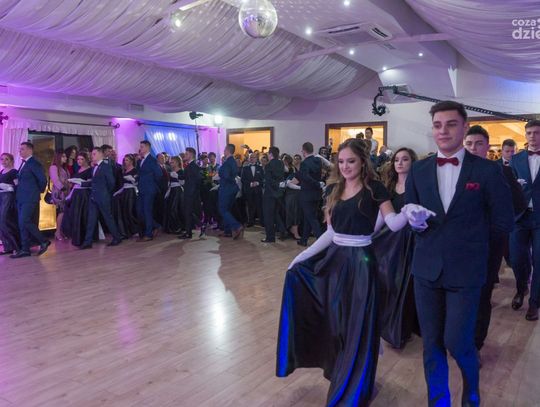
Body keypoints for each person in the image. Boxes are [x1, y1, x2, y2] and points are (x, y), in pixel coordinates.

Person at [277, 138, 434, 407]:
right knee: (337, 324)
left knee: (358, 327)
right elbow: (331, 233)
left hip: (361, 265)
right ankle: (339, 372)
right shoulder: (334, 189)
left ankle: (352, 389)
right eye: (341, 161)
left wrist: (410, 213)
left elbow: (393, 224)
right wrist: (301, 256)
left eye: (351, 161)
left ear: (363, 161)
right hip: (335, 263)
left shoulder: (375, 188)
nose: (345, 166)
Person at [406, 101, 513, 406]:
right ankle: (438, 401)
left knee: (458, 342)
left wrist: (472, 243)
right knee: (431, 344)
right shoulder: (419, 169)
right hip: (426, 269)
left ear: (464, 127)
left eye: (451, 124)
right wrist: (415, 222)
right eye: (438, 125)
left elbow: (504, 220)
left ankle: (471, 395)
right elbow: (412, 212)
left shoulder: (488, 170)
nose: (443, 130)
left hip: (466, 271)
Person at [464, 125, 527, 351]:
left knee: (482, 293)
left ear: (487, 146)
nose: (473, 148)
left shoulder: (502, 171)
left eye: (478, 144)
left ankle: (476, 344)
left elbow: (517, 206)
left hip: (489, 244)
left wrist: (497, 229)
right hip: (459, 245)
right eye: (469, 144)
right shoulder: (455, 172)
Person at [372, 147, 419, 348]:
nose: (399, 163)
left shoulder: (419, 186)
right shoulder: (388, 187)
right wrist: (369, 235)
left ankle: (405, 328)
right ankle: (391, 326)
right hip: (390, 241)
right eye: (397, 159)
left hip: (413, 241)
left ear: (412, 162)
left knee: (408, 286)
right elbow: (382, 216)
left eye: (405, 159)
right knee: (390, 283)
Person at [509, 119, 540, 321]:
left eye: (536, 132)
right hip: (519, 216)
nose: (532, 136)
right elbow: (509, 187)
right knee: (517, 258)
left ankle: (534, 303)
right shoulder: (516, 159)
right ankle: (521, 289)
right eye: (529, 133)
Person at [11, 141, 50, 258]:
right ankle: (25, 249)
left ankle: (43, 240)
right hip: (21, 197)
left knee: (24, 221)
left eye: (22, 149)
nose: (20, 151)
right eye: (20, 149)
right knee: (22, 224)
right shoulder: (24, 163)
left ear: (29, 150)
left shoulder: (34, 163)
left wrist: (37, 192)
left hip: (30, 197)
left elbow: (43, 180)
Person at [79, 147, 122, 249]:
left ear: (100, 154)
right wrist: (81, 183)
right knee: (91, 219)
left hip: (103, 197)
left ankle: (117, 237)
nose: (92, 156)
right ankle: (88, 242)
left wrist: (105, 193)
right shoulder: (95, 167)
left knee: (108, 217)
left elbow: (111, 182)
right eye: (92, 154)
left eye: (94, 154)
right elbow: (94, 182)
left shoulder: (106, 166)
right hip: (93, 197)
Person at [295, 142, 322, 247]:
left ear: (304, 150)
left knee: (312, 219)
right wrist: (318, 184)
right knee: (309, 217)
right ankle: (304, 240)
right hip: (316, 194)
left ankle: (321, 243)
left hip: (307, 195)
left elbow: (306, 178)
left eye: (302, 150)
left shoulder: (304, 163)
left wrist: (317, 184)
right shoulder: (318, 160)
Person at [62, 153, 93, 246]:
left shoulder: (90, 170)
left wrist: (80, 183)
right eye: (78, 159)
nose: (79, 161)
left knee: (83, 215)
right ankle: (76, 236)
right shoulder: (78, 170)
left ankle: (84, 237)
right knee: (75, 215)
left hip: (84, 195)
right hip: (76, 195)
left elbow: (91, 183)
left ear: (86, 160)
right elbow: (75, 185)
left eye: (82, 159)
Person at [136, 140, 162, 242]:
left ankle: (148, 234)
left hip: (149, 189)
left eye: (142, 147)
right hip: (141, 189)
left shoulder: (152, 160)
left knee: (147, 211)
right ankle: (156, 226)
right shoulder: (140, 160)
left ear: (147, 147)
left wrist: (152, 184)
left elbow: (159, 174)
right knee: (139, 211)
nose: (140, 148)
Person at [178, 147, 205, 239]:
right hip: (189, 192)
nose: (184, 155)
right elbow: (186, 177)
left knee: (188, 212)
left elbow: (198, 180)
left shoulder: (193, 166)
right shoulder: (190, 165)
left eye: (186, 154)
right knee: (188, 212)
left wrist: (192, 192)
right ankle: (193, 229)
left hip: (190, 193)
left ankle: (190, 232)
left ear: (191, 155)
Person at [218, 144, 243, 239]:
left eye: (225, 149)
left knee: (223, 209)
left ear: (227, 150)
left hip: (226, 188)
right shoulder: (233, 161)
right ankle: (227, 231)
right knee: (227, 209)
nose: (224, 151)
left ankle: (237, 226)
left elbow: (226, 175)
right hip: (232, 188)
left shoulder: (228, 162)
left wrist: (220, 174)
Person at [262, 146, 286, 243]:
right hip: (279, 193)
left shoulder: (268, 165)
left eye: (268, 153)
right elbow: (281, 177)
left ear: (271, 154)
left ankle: (270, 237)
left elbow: (269, 181)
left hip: (269, 194)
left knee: (268, 216)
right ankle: (282, 230)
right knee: (276, 213)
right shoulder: (281, 163)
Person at [112, 154, 139, 239]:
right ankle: (128, 231)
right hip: (125, 192)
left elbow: (137, 183)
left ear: (131, 161)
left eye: (127, 160)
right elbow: (124, 185)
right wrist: (117, 192)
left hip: (132, 192)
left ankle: (136, 230)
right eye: (124, 160)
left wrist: (132, 179)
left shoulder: (135, 170)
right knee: (125, 211)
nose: (125, 162)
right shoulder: (124, 171)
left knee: (130, 211)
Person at [0, 153, 21, 255]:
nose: (3, 161)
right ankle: (8, 247)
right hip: (1, 197)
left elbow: (17, 186)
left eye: (6, 159)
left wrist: (9, 188)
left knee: (4, 221)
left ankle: (16, 247)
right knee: (1, 223)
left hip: (8, 198)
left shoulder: (14, 172)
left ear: (11, 161)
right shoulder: (1, 171)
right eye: (2, 159)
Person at [49, 150, 70, 241]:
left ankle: (60, 231)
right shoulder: (54, 167)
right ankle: (57, 232)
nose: (65, 158)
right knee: (61, 211)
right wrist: (63, 189)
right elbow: (55, 180)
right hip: (59, 192)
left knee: (63, 212)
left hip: (65, 191)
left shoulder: (63, 167)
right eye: (63, 156)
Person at [240, 152, 264, 227]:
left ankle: (262, 221)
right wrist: (250, 184)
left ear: (256, 159)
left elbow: (263, 179)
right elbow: (243, 179)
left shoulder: (260, 168)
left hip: (258, 190)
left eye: (253, 157)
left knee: (259, 206)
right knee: (250, 206)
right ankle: (250, 221)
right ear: (248, 159)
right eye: (250, 157)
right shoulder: (245, 168)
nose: (252, 159)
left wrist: (257, 183)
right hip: (249, 190)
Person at [282, 154, 302, 240]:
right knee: (294, 213)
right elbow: (289, 183)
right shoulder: (293, 172)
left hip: (296, 195)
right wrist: (301, 188)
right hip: (292, 195)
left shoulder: (300, 171)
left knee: (296, 213)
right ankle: (294, 231)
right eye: (295, 159)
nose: (296, 160)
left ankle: (294, 230)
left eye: (298, 159)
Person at [163, 156, 185, 234]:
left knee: (175, 209)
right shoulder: (171, 171)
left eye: (173, 162)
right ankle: (174, 227)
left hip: (178, 191)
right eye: (171, 162)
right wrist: (168, 191)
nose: (171, 164)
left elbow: (183, 182)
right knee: (170, 209)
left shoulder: (181, 171)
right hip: (172, 191)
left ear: (178, 162)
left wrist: (177, 176)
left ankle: (179, 226)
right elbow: (170, 183)